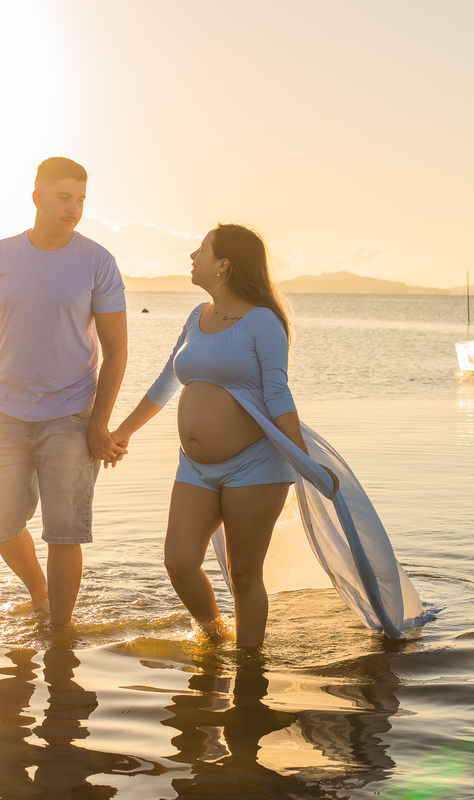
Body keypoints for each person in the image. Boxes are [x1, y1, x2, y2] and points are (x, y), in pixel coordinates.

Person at [111, 223, 337, 649]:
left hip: (255, 464)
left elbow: (278, 393)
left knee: (245, 573)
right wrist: (123, 432)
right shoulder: (197, 316)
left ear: (224, 264)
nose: (192, 256)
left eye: (201, 250)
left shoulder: (263, 321)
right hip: (194, 467)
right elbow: (166, 381)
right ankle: (214, 639)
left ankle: (250, 667)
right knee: (179, 561)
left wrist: (305, 462)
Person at [0, 157, 128, 627]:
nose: (74, 208)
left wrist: (99, 422)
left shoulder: (97, 261)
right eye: (64, 197)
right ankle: (40, 594)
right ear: (38, 198)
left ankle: (60, 635)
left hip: (71, 415)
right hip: (6, 412)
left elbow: (116, 350)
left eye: (81, 199)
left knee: (64, 533)